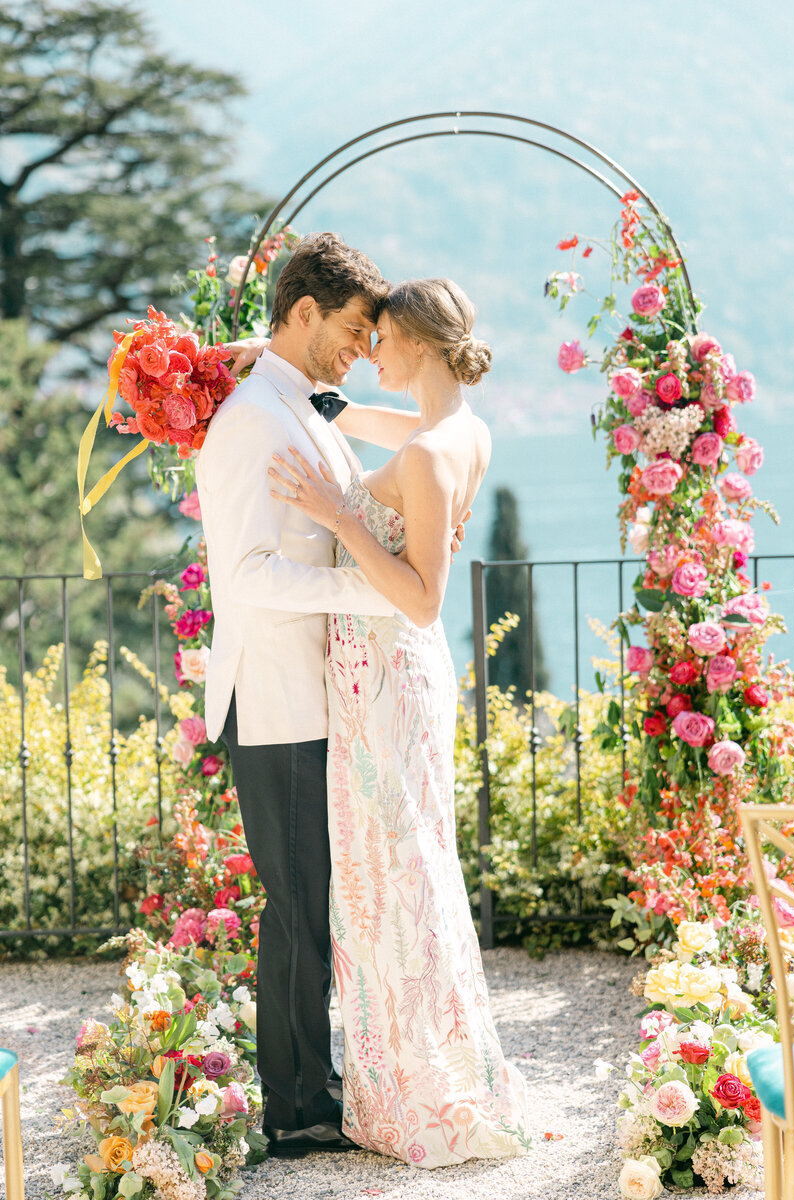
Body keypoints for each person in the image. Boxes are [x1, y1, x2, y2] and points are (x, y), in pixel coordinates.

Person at [197, 233, 464, 1158]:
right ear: (302, 312)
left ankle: (317, 1080)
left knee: (318, 901)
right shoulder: (251, 421)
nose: (361, 345)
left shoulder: (294, 401)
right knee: (299, 904)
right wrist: (370, 592)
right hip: (276, 700)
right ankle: (298, 1108)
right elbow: (249, 575)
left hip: (320, 696)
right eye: (352, 328)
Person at [270, 277, 531, 1168]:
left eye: (380, 338)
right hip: (392, 681)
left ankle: (418, 1090)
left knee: (396, 873)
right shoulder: (464, 433)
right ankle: (431, 1070)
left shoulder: (426, 458)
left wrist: (340, 513)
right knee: (406, 863)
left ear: (414, 342)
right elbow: (392, 430)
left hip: (387, 670)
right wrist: (323, 406)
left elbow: (422, 600)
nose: (370, 350)